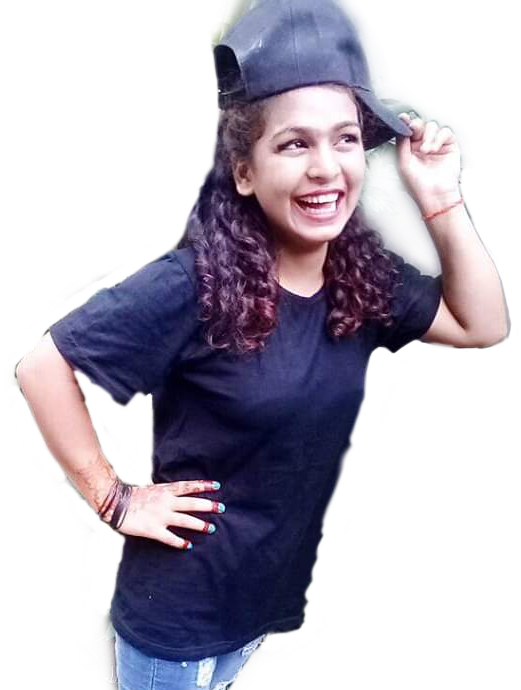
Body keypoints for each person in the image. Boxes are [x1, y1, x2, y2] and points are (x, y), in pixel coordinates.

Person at [16, 1, 508, 689]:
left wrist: (441, 200)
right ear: (244, 171)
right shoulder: (192, 282)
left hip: (258, 602)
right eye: (294, 144)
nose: (326, 167)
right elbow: (43, 367)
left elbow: (482, 327)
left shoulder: (360, 281)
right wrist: (115, 501)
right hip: (178, 613)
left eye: (344, 139)